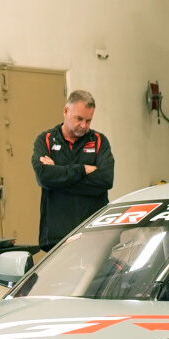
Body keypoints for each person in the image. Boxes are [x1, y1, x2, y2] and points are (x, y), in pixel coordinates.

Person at [34, 90, 115, 250]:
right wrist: (83, 169)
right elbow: (45, 177)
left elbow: (105, 179)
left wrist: (59, 176)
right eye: (79, 119)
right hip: (57, 238)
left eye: (89, 120)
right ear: (66, 111)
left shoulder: (99, 141)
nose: (84, 125)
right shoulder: (46, 140)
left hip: (94, 235)